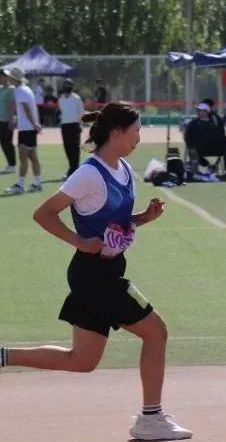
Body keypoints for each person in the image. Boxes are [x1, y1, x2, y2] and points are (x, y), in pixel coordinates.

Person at [0, 102, 193, 440]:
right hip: (96, 275)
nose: (139, 138)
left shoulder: (124, 169)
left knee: (82, 360)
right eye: (136, 131)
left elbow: (116, 224)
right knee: (156, 333)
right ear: (117, 132)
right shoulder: (89, 174)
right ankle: (151, 418)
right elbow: (43, 213)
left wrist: (143, 218)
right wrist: (78, 240)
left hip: (104, 271)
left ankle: (3, 356)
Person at [4, 66, 43, 195]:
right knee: (32, 157)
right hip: (27, 128)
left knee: (23, 157)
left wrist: (34, 124)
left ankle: (20, 185)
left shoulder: (20, 90)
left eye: (10, 76)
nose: (8, 78)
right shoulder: (24, 89)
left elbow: (26, 109)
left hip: (27, 129)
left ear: (14, 79)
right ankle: (37, 183)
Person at [183, 103, 226, 181]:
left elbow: (220, 136)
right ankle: (196, 173)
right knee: (192, 152)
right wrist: (191, 146)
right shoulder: (193, 124)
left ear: (207, 112)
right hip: (199, 148)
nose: (200, 112)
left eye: (202, 110)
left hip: (213, 148)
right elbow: (188, 137)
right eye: (199, 110)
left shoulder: (214, 124)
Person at [58, 79, 84, 177]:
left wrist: (80, 124)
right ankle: (71, 168)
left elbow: (81, 112)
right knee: (67, 148)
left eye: (69, 85)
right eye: (65, 85)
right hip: (65, 126)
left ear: (72, 87)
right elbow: (62, 112)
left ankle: (75, 169)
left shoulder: (77, 98)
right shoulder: (61, 99)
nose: (67, 87)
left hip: (75, 125)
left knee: (75, 148)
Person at [0, 70, 17, 173]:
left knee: (7, 142)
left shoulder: (11, 89)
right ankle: (9, 164)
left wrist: (11, 119)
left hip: (7, 120)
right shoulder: (1, 89)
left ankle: (12, 165)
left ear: (6, 77)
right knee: (3, 143)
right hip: (1, 120)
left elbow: (12, 104)